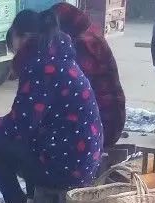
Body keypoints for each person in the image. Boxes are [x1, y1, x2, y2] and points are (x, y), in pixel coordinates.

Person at [0, 9, 103, 203]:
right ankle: (35, 201)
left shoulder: (41, 67)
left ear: (22, 37)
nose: (13, 51)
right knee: (25, 139)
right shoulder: (58, 58)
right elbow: (31, 118)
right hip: (82, 159)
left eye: (12, 42)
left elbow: (19, 127)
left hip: (66, 166)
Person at [51, 4, 127, 147]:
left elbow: (71, 92)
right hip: (108, 118)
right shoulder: (88, 33)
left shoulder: (83, 45)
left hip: (104, 125)